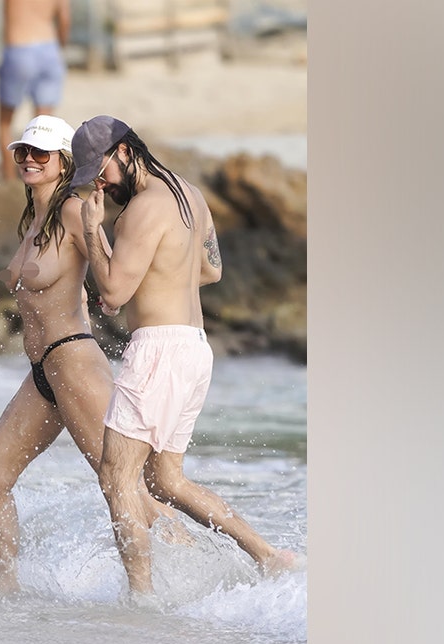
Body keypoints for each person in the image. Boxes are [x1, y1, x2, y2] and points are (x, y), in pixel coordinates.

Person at [70, 115, 303, 596]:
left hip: (159, 350)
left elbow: (112, 294)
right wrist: (161, 277)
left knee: (117, 476)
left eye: (102, 171)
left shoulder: (139, 211)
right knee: (165, 481)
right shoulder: (188, 193)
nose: (99, 183)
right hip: (194, 348)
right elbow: (212, 269)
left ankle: (141, 597)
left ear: (126, 151)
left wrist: (95, 231)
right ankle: (270, 557)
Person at [0, 115, 180, 596]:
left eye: (40, 153)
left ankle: (195, 571)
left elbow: (111, 271)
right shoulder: (35, 220)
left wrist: (117, 294)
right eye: (22, 150)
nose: (28, 158)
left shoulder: (71, 208)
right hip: (41, 373)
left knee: (123, 487)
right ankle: (8, 596)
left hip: (74, 362)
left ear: (64, 161)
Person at [0, 0, 71, 182]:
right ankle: (43, 184)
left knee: (5, 124)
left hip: (19, 48)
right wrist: (58, 49)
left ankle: (10, 183)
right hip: (49, 50)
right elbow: (65, 20)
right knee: (44, 127)